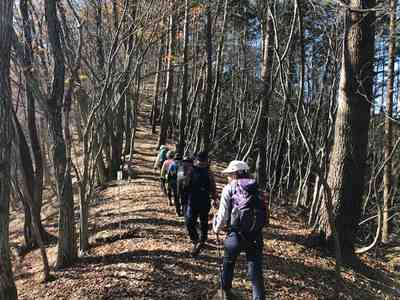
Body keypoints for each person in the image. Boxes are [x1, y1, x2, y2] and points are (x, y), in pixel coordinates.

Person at [213, 160, 266, 300]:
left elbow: (223, 215)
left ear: (236, 174)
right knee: (256, 272)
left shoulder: (229, 188)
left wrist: (216, 228)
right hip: (255, 235)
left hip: (235, 235)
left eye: (229, 174)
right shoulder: (257, 188)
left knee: (228, 263)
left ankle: (225, 293)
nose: (228, 177)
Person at [185, 151, 218, 256]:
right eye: (200, 161)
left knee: (203, 222)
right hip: (192, 200)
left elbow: (213, 186)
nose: (201, 163)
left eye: (203, 161)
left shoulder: (209, 173)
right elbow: (185, 184)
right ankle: (195, 239)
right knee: (190, 221)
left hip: (204, 201)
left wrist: (214, 198)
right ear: (196, 161)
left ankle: (202, 240)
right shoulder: (191, 170)